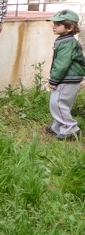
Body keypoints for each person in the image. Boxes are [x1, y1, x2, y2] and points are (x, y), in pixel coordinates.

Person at [46, 9, 85, 140]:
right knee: (61, 103)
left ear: (69, 27)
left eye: (58, 25)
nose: (54, 27)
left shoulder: (67, 43)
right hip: (68, 78)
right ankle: (58, 127)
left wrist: (54, 80)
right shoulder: (65, 39)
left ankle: (71, 128)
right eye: (54, 24)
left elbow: (62, 64)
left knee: (57, 104)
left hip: (68, 79)